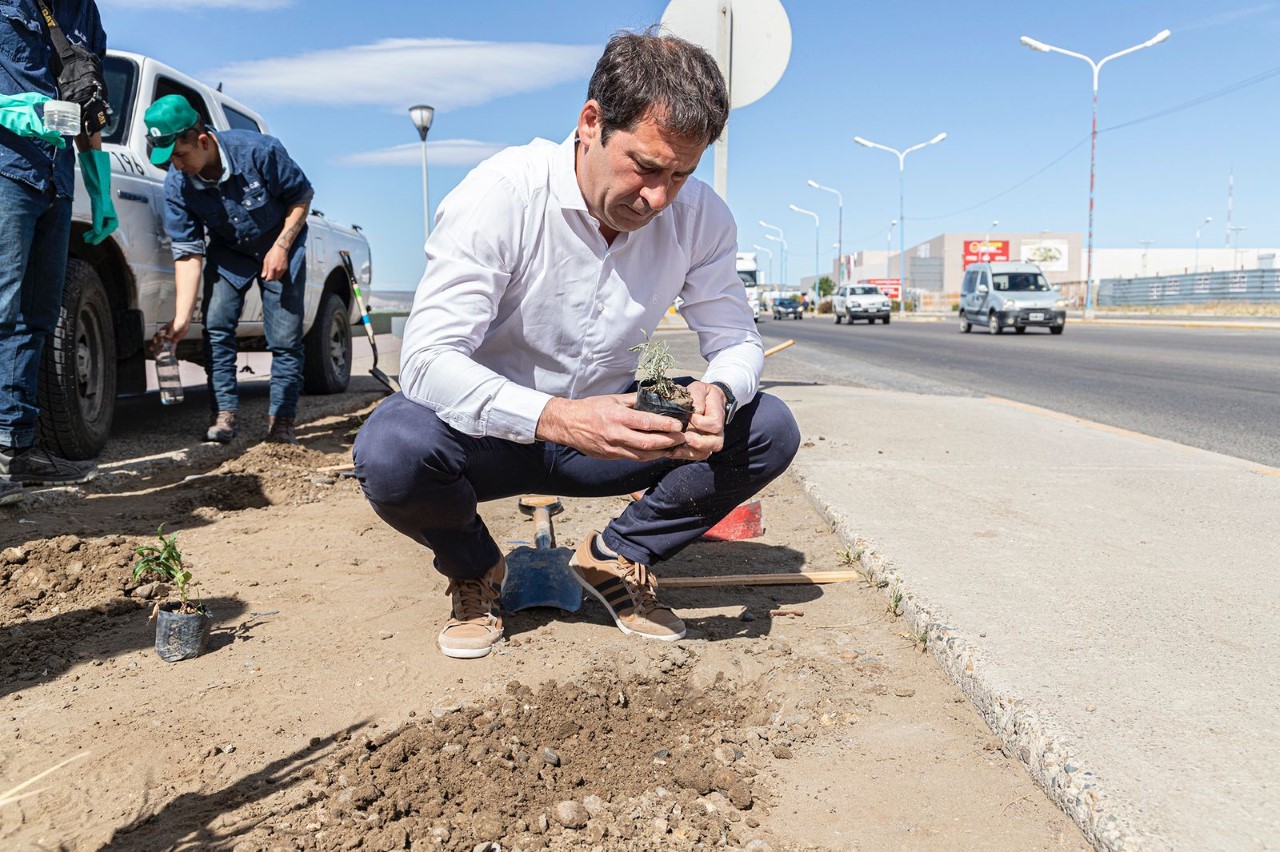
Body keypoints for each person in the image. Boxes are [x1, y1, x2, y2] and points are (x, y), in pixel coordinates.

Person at [354, 30, 801, 660]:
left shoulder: (701, 216)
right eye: (646, 166)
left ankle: (619, 555)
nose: (659, 198)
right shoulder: (502, 194)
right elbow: (426, 361)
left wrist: (719, 391)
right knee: (392, 449)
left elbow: (736, 340)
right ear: (591, 123)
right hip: (488, 436)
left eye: (681, 174)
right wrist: (558, 418)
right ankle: (477, 568)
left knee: (767, 427)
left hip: (610, 430)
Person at [147, 94, 313, 444]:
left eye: (179, 154)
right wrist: (180, 321)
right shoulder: (177, 186)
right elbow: (189, 253)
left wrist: (281, 247)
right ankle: (224, 415)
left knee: (283, 338)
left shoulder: (260, 152)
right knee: (216, 326)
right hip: (230, 250)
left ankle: (281, 421)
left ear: (203, 141)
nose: (176, 165)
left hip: (281, 239)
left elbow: (301, 197)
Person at [0, 0, 106, 501]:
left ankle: (15, 449)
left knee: (36, 317)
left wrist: (99, 187)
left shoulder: (84, 12)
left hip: (55, 180)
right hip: (5, 173)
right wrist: (7, 109)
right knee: (2, 309)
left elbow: (88, 105)